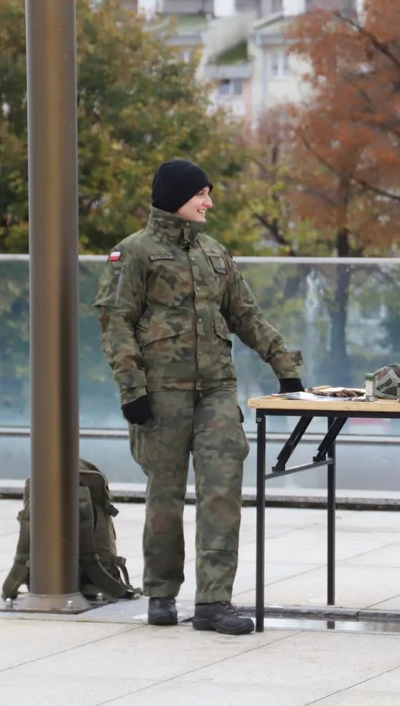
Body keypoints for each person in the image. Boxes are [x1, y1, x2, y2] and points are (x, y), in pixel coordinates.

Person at [94, 158, 305, 635]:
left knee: (222, 494)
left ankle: (213, 602)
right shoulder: (134, 254)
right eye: (200, 195)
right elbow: (116, 323)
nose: (209, 202)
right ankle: (161, 593)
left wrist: (284, 366)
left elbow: (246, 314)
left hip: (216, 393)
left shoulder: (215, 253)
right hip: (160, 396)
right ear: (176, 198)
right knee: (165, 497)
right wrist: (132, 389)